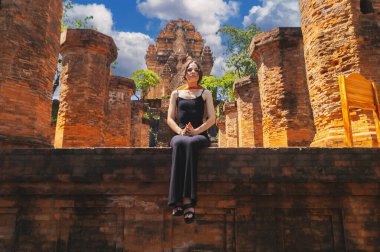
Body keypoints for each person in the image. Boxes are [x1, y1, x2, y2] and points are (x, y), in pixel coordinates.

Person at [166, 59, 215, 224]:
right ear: (185, 74)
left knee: (190, 143)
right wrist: (180, 131)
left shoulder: (205, 93)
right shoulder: (176, 93)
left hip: (199, 134)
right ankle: (176, 200)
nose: (192, 72)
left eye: (195, 70)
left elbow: (212, 119)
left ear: (200, 74)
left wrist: (197, 131)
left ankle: (188, 200)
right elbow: (170, 118)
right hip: (181, 133)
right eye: (189, 70)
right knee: (179, 143)